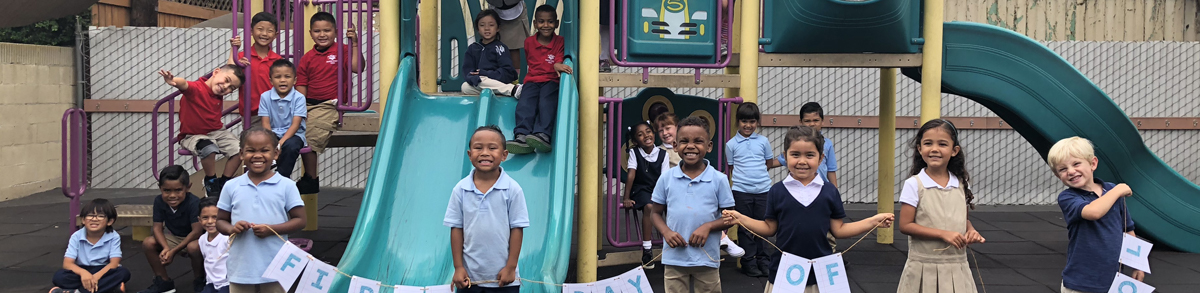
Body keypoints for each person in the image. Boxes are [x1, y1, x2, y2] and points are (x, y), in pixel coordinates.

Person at [724, 126, 894, 292]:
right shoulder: (776, 191)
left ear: (821, 158)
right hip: (785, 272)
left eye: (810, 155)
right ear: (785, 156)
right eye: (795, 154)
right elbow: (769, 228)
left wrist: (873, 221)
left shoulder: (829, 191)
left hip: (821, 274)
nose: (802, 161)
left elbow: (839, 230)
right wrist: (741, 218)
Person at [646, 117, 735, 293]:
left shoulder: (719, 179)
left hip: (707, 258)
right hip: (674, 258)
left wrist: (708, 227)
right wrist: (666, 232)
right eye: (684, 141)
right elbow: (655, 213)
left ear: (709, 146)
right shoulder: (666, 178)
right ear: (675, 145)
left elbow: (731, 217)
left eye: (698, 141)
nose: (691, 146)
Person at [896, 119, 984, 293]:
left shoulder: (961, 183)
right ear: (920, 149)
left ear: (954, 150)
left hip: (957, 266)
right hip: (924, 266)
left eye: (942, 144)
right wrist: (943, 234)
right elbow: (905, 225)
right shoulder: (914, 184)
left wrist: (971, 231)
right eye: (928, 143)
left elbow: (963, 219)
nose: (934, 149)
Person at [216, 127, 307, 293]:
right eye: (251, 151)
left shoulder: (287, 185)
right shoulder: (231, 186)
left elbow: (300, 220)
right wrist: (232, 229)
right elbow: (220, 221)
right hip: (241, 268)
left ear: (276, 154)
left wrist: (272, 229)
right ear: (241, 154)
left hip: (276, 266)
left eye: (265, 150)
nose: (257, 155)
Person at [1049, 136, 1144, 293]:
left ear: (1093, 163)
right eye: (1063, 169)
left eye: (1076, 164)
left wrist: (1137, 264)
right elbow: (1094, 212)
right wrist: (1118, 190)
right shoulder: (1069, 198)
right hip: (1080, 283)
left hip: (1112, 280)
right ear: (1058, 176)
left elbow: (1127, 229)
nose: (1071, 171)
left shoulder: (1111, 190)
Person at [445, 126, 530, 293]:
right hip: (469, 280)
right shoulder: (461, 189)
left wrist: (511, 267)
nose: (484, 153)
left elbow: (517, 228)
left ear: (504, 155)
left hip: (503, 279)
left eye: (492, 148)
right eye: (478, 148)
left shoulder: (512, 189)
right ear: (470, 155)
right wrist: (458, 267)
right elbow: (456, 228)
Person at [296, 11, 365, 194]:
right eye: (317, 31)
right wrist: (300, 109)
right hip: (309, 104)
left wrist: (355, 44)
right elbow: (301, 85)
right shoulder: (307, 58)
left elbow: (357, 68)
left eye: (327, 30)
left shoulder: (342, 50)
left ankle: (311, 178)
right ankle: (283, 175)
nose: (322, 34)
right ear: (311, 33)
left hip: (330, 104)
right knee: (289, 132)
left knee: (309, 137)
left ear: (335, 31)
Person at [159, 65, 245, 198]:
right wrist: (173, 80)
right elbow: (185, 84)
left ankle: (223, 182)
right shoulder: (197, 89)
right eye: (226, 80)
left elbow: (230, 67)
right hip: (193, 135)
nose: (226, 87)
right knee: (208, 148)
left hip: (216, 131)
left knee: (241, 150)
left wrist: (235, 49)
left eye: (231, 88)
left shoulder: (217, 92)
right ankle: (211, 180)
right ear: (216, 72)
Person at [507, 4, 571, 154]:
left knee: (546, 103)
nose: (546, 25)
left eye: (550, 21)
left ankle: (542, 134)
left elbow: (559, 57)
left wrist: (558, 64)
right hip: (532, 81)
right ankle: (522, 135)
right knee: (525, 104)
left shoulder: (560, 41)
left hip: (550, 81)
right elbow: (532, 62)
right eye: (541, 21)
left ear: (557, 24)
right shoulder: (529, 42)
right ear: (535, 24)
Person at [138, 165, 205, 293]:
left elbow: (196, 231)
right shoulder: (159, 201)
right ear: (160, 188)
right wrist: (166, 248)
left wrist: (173, 251)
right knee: (148, 242)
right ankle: (163, 282)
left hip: (194, 238)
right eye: (167, 190)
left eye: (178, 190)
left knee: (193, 247)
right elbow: (157, 228)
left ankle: (199, 279)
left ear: (188, 187)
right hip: (175, 238)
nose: (172, 195)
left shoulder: (194, 203)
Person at [723, 102, 771, 277]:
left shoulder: (763, 141)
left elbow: (768, 163)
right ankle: (748, 262)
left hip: (763, 191)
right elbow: (731, 168)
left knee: (764, 226)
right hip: (741, 191)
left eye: (752, 121)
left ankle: (764, 261)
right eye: (744, 121)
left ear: (757, 122)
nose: (748, 125)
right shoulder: (731, 144)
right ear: (737, 122)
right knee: (744, 228)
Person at [50, 199, 131, 293]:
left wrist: (95, 277)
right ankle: (109, 288)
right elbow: (67, 264)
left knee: (123, 273)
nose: (94, 219)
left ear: (110, 221)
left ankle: (77, 291)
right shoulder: (76, 236)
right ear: (83, 220)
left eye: (100, 216)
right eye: (90, 215)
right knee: (59, 277)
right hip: (81, 269)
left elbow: (114, 263)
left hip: (103, 270)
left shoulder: (113, 236)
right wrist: (83, 273)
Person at [620, 121, 670, 269]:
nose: (646, 136)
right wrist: (626, 197)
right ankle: (647, 249)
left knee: (673, 206)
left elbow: (664, 178)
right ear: (635, 141)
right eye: (640, 135)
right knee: (649, 206)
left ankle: (674, 244)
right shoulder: (635, 153)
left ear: (653, 133)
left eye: (648, 131)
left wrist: (666, 196)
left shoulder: (662, 154)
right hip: (641, 189)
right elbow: (631, 175)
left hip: (658, 188)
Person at [228, 12, 284, 127]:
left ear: (276, 35)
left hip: (274, 112)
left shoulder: (277, 60)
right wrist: (234, 50)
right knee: (253, 143)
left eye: (269, 30)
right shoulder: (243, 57)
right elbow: (229, 74)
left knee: (274, 143)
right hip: (251, 114)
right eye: (260, 29)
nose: (264, 34)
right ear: (251, 31)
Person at [259, 59, 311, 179]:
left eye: (287, 76)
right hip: (272, 134)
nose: (282, 80)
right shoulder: (265, 97)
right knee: (257, 143)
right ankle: (261, 175)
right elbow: (265, 123)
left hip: (294, 135)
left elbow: (295, 124)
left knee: (291, 146)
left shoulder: (299, 98)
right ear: (271, 81)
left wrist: (280, 143)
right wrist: (272, 141)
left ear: (295, 80)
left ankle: (281, 178)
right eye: (278, 77)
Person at [461, 9, 521, 98]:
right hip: (481, 84)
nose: (487, 28)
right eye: (482, 25)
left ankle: (511, 89)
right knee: (465, 87)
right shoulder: (473, 48)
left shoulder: (500, 48)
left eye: (491, 25)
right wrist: (477, 78)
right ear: (477, 28)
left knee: (482, 80)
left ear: (498, 28)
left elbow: (508, 73)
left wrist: (485, 74)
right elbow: (468, 72)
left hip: (498, 82)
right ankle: (511, 90)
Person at [486, 0, 529, 76]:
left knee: (515, 47)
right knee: (493, 46)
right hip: (495, 7)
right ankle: (496, 77)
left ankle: (515, 80)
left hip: (516, 9)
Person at [197, 196, 231, 293]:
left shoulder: (227, 239)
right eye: (205, 218)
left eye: (215, 217)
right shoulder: (202, 239)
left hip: (227, 283)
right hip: (211, 284)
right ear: (199, 220)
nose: (210, 222)